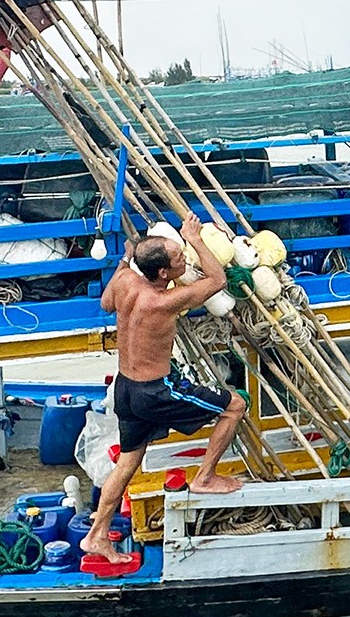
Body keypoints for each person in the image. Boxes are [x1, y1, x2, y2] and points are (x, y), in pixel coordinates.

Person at [83, 213, 246, 563]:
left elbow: (106, 303)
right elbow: (216, 279)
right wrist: (196, 237)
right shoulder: (163, 301)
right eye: (178, 260)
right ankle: (205, 476)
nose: (184, 258)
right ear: (162, 275)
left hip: (125, 387)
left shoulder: (126, 278)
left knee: (129, 461)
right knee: (234, 406)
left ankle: (97, 535)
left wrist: (126, 256)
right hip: (154, 390)